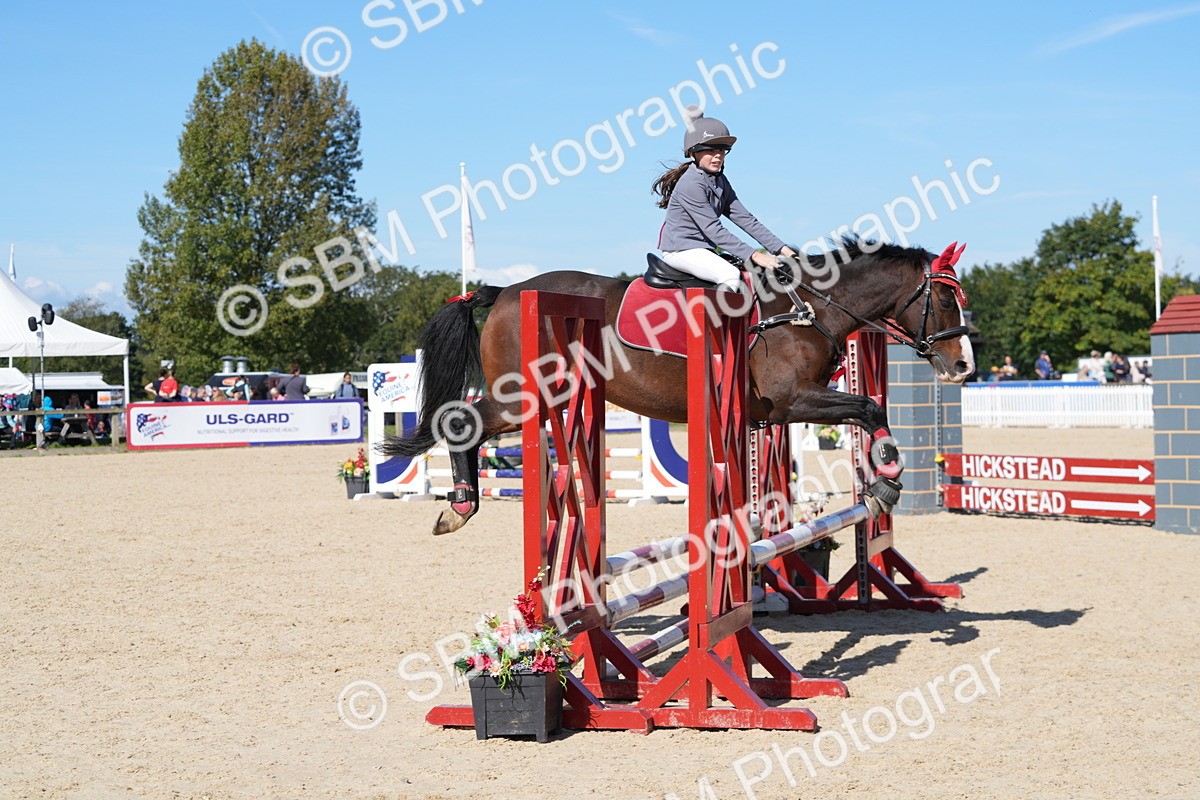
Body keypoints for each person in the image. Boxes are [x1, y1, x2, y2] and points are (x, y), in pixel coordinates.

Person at [652, 107, 796, 291]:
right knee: (729, 275)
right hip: (680, 250)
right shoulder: (690, 183)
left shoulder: (720, 181)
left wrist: (784, 250)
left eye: (721, 150)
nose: (718, 156)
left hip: (703, 249)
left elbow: (747, 220)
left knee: (752, 275)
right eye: (710, 150)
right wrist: (756, 255)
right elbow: (713, 229)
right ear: (693, 153)